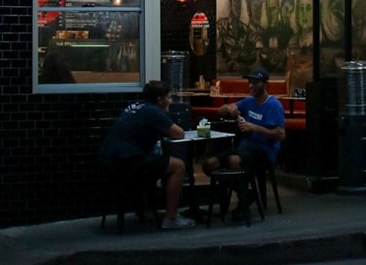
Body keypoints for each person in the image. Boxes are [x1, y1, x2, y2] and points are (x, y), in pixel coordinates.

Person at [99, 79, 195, 230]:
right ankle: (171, 218)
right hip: (127, 163)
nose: (170, 101)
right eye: (169, 97)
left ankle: (142, 211)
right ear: (159, 100)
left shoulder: (135, 106)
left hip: (109, 161)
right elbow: (179, 133)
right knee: (178, 166)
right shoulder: (153, 111)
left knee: (156, 162)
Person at [202, 67, 285, 218]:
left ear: (265, 84)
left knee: (234, 160)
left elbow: (280, 135)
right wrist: (230, 108)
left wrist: (254, 128)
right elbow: (221, 110)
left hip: (265, 151)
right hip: (244, 148)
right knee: (209, 164)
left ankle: (243, 205)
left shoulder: (274, 105)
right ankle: (247, 194)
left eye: (256, 82)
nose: (251, 86)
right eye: (250, 82)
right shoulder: (248, 101)